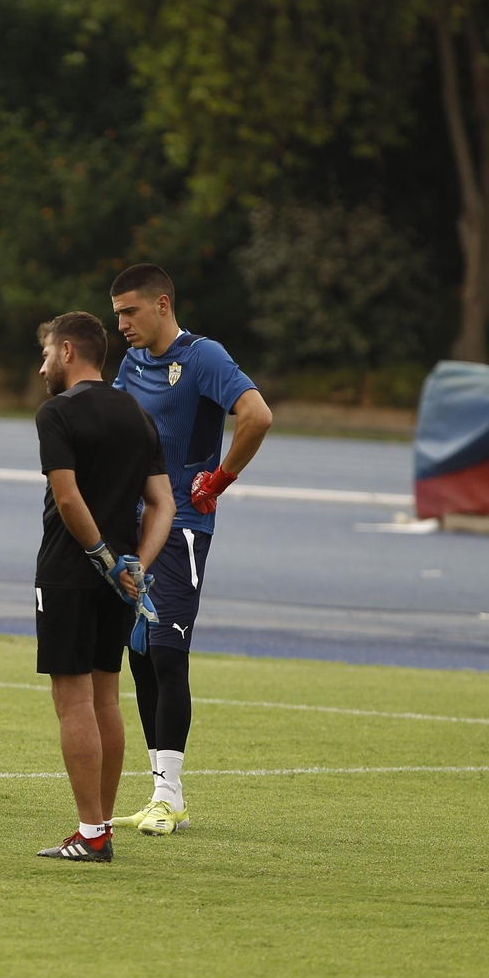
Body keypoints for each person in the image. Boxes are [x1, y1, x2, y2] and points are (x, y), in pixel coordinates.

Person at [109, 263, 272, 836]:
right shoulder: (131, 364)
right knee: (139, 656)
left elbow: (257, 415)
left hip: (180, 528)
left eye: (130, 312)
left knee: (167, 654)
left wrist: (219, 479)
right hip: (133, 530)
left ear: (162, 304)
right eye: (117, 315)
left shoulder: (203, 356)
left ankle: (169, 794)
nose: (122, 324)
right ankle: (163, 793)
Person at [32, 313, 174, 861]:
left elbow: (68, 497)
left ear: (68, 351)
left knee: (73, 703)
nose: (42, 366)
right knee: (106, 698)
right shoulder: (139, 414)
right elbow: (163, 504)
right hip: (120, 584)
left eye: (46, 354)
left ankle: (92, 833)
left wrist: (104, 559)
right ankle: (101, 827)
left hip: (70, 573)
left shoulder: (57, 412)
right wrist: (136, 565)